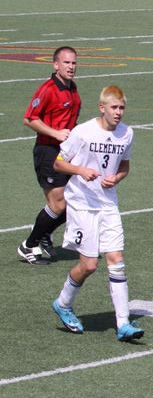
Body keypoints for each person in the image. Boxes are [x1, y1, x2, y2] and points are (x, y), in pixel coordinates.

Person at [50, 86, 142, 342]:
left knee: (116, 259)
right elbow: (58, 163)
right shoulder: (83, 132)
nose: (118, 112)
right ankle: (63, 303)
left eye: (122, 108)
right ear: (102, 108)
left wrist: (117, 178)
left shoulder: (127, 134)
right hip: (82, 204)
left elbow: (125, 165)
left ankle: (123, 324)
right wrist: (81, 171)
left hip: (108, 205)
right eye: (114, 107)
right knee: (89, 265)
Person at [19, 47, 83, 266]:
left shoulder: (72, 88)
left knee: (74, 200)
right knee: (58, 203)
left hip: (66, 153)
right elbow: (29, 118)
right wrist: (55, 133)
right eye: (66, 63)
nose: (71, 67)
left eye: (73, 63)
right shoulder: (48, 89)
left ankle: (44, 233)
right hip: (48, 151)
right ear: (56, 65)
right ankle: (29, 245)